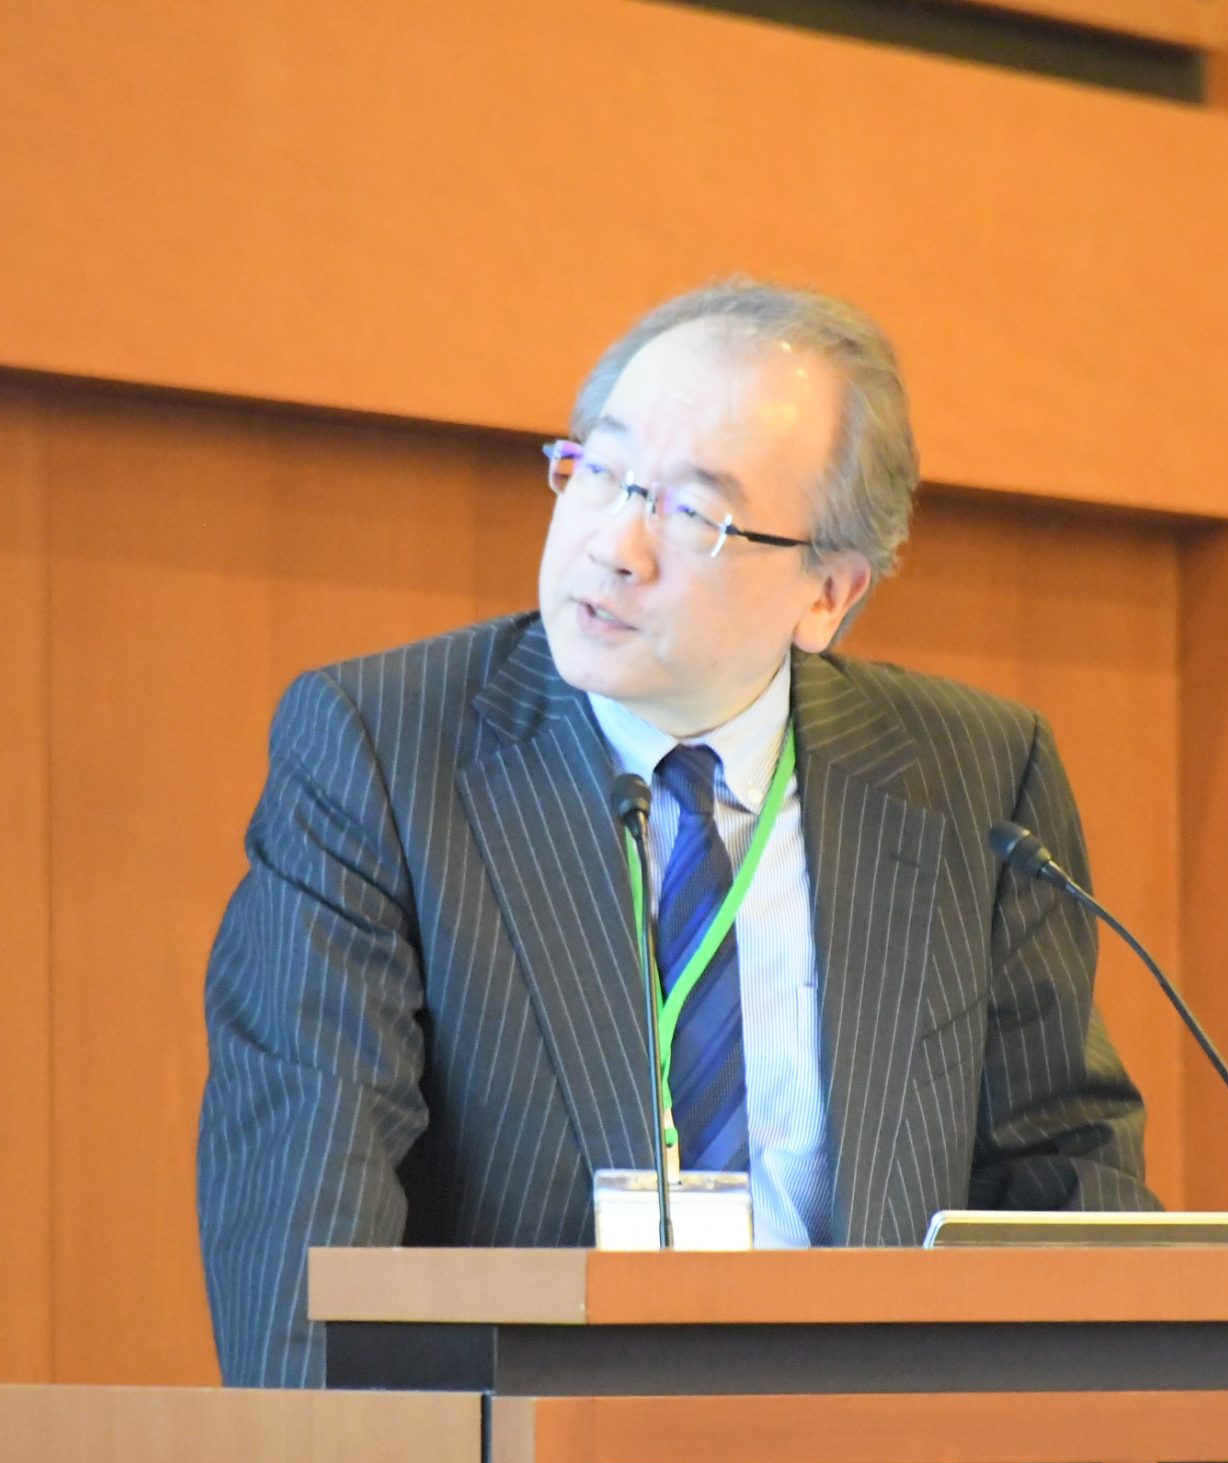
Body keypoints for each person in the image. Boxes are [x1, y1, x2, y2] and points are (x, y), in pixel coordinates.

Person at [197, 280, 1154, 1388]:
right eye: (599, 472)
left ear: (827, 594)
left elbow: (1064, 1178)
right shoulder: (384, 755)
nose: (614, 546)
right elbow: (305, 1215)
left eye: (694, 515)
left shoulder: (973, 779)